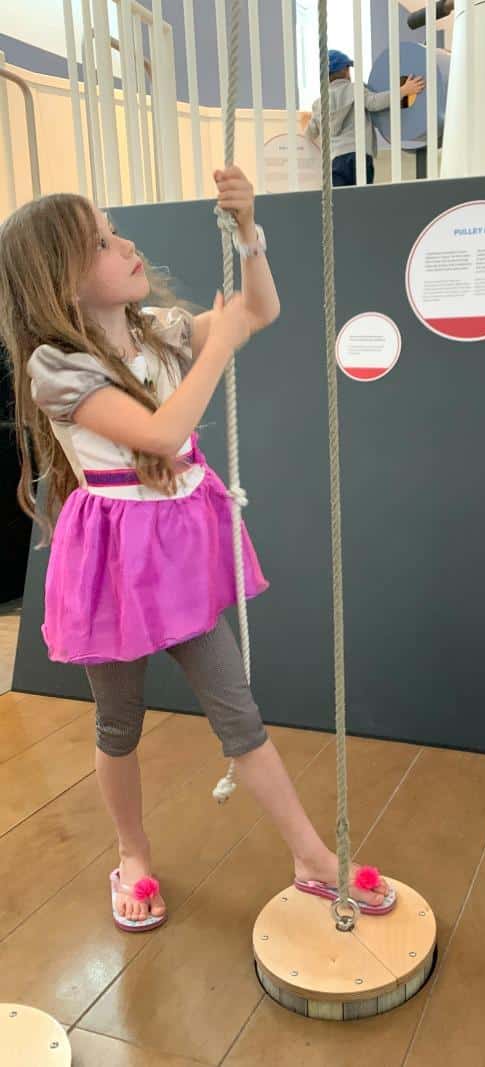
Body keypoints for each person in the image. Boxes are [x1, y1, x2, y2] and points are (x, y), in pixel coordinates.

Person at [0, 166, 394, 932]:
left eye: (114, 230)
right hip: (116, 560)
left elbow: (260, 307)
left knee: (237, 711)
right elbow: (158, 432)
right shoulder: (58, 365)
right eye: (104, 242)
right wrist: (223, 346)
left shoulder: (155, 329)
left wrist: (248, 233)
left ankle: (312, 856)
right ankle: (133, 853)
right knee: (118, 723)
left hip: (175, 549)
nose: (127, 244)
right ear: (64, 279)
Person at [304, 49, 425, 186]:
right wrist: (404, 90)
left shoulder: (319, 103)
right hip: (360, 156)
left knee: (339, 201)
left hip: (336, 159)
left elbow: (310, 132)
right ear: (346, 71)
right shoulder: (356, 89)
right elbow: (375, 102)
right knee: (362, 199)